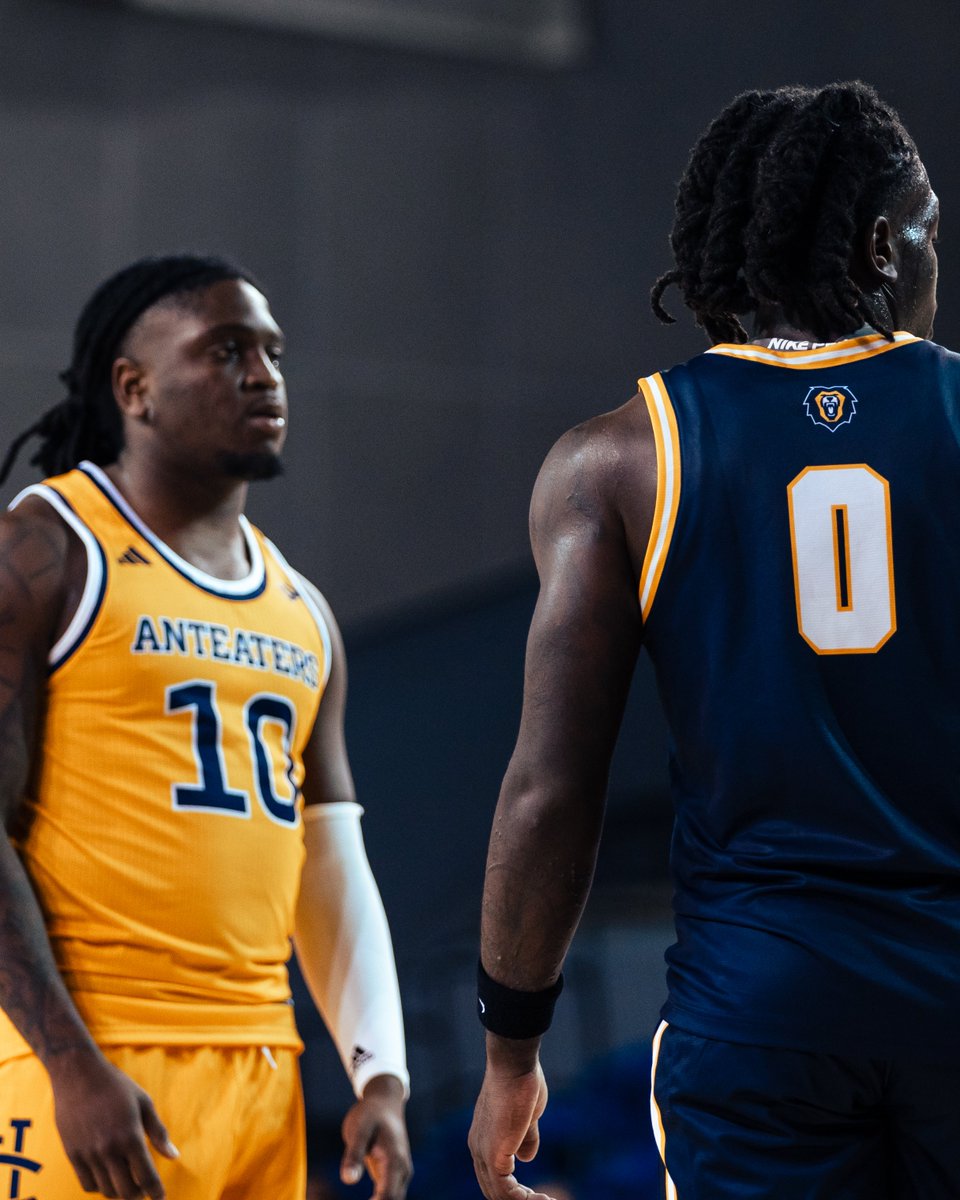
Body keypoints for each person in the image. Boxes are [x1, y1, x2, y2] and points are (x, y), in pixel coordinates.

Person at [468, 80, 959, 1200]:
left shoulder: (615, 459)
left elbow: (550, 790)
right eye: (933, 231)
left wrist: (509, 1052)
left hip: (759, 1010)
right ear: (883, 244)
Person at [0, 255, 412, 1200]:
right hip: (88, 1061)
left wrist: (379, 1074)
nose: (264, 375)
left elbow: (329, 862)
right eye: (226, 351)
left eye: (272, 352)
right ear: (134, 388)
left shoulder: (304, 611)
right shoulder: (47, 544)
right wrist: (69, 1067)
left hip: (261, 1075)